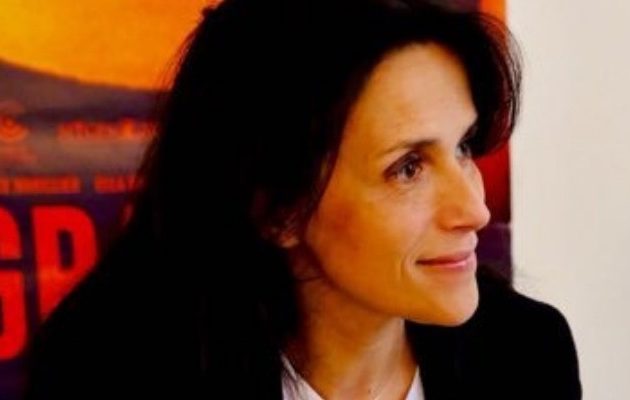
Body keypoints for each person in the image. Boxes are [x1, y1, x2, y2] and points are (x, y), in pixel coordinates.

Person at [22, 0, 582, 399]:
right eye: (408, 168)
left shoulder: (525, 356)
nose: (475, 210)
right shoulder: (106, 376)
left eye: (463, 147)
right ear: (278, 209)